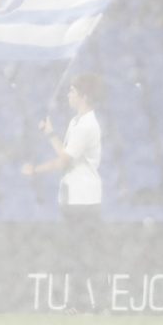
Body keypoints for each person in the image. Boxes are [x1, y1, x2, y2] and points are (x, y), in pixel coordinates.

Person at [24, 74, 104, 220]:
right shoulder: (75, 121)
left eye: (72, 91)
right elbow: (65, 155)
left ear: (84, 97)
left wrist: (35, 170)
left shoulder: (86, 126)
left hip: (83, 200)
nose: (68, 95)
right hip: (73, 197)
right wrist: (50, 133)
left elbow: (64, 161)